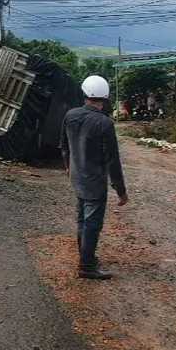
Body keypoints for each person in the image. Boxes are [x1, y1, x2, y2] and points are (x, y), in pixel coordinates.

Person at [60, 75, 128, 280]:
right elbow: (112, 161)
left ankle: (86, 257)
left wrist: (68, 168)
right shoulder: (104, 123)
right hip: (95, 183)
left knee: (82, 219)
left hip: (78, 178)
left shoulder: (70, 115)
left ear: (84, 94)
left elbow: (63, 146)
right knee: (91, 224)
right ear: (104, 98)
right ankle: (87, 266)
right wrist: (121, 190)